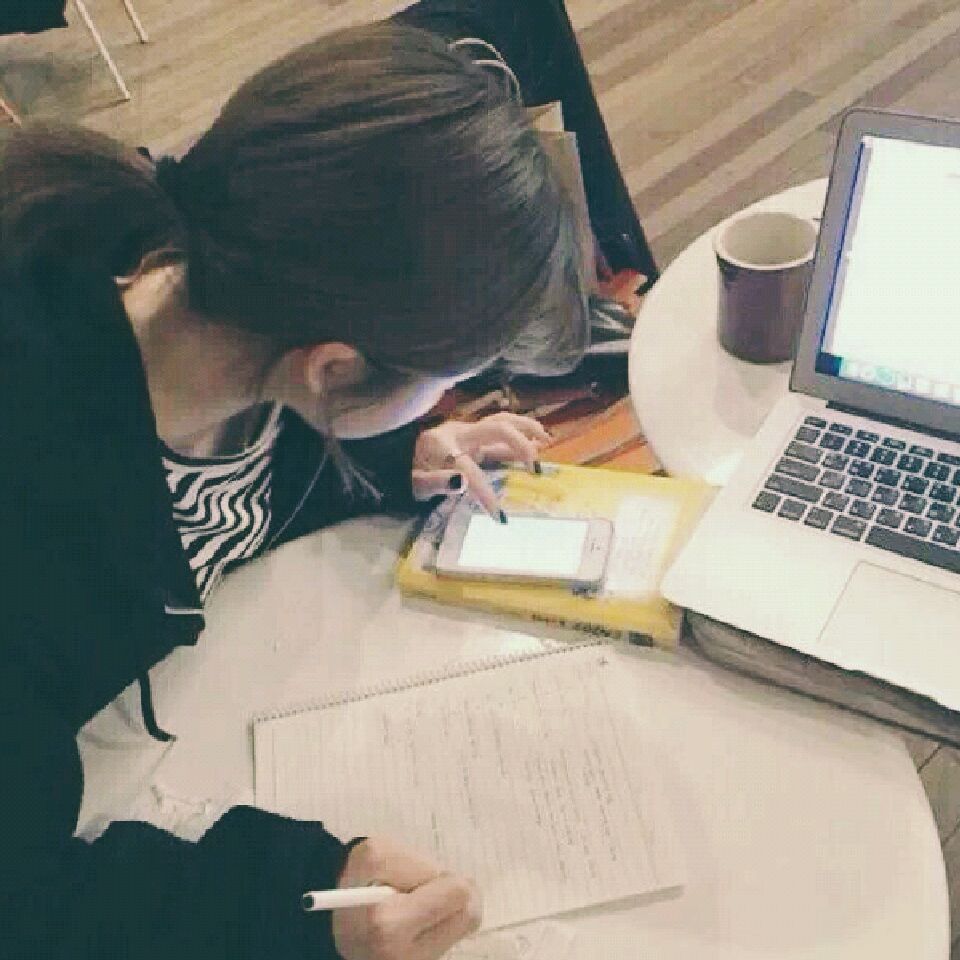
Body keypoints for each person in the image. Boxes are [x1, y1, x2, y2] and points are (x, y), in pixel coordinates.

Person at [0, 20, 592, 960]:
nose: (445, 401)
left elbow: (251, 476)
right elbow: (26, 910)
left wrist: (403, 454)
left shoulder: (212, 276)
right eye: (445, 381)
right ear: (335, 369)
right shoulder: (32, 534)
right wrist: (301, 907)